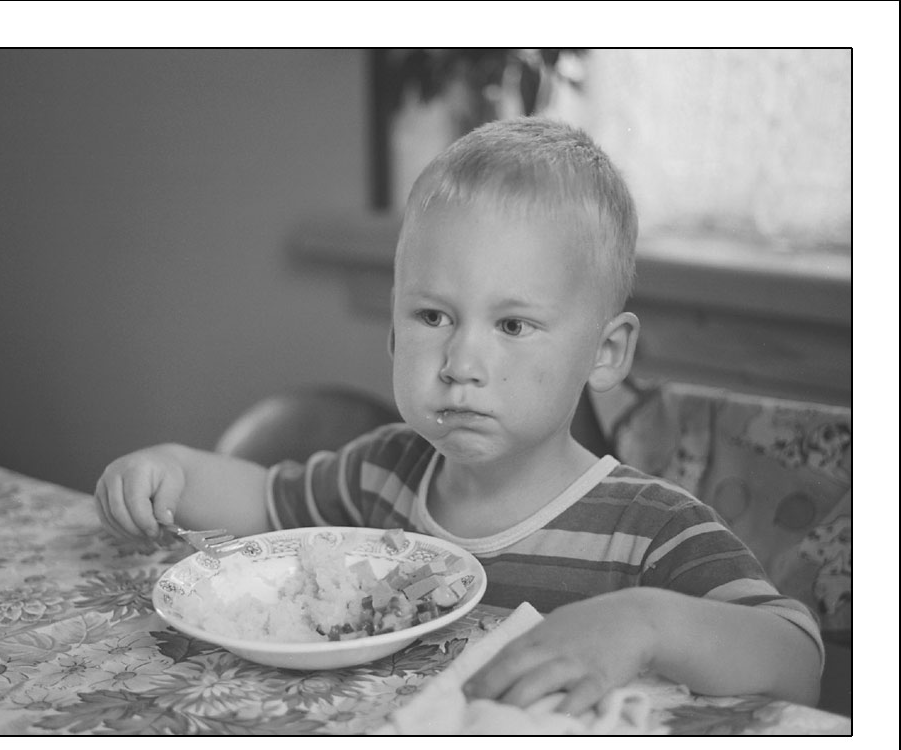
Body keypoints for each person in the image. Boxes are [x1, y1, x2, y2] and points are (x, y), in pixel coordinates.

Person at [95, 117, 823, 712]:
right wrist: (173, 471)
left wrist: (645, 623)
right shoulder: (381, 474)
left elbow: (796, 658)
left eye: (512, 326)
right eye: (433, 315)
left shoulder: (649, 530)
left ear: (605, 352)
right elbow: (262, 502)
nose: (461, 363)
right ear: (389, 332)